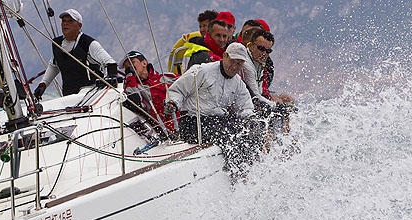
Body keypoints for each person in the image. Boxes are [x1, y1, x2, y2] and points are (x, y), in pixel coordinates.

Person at [165, 43, 259, 175]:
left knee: (250, 134)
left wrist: (251, 120)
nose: (234, 67)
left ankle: (248, 171)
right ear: (225, 56)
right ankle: (234, 173)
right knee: (228, 134)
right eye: (232, 61)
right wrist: (173, 103)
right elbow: (178, 90)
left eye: (239, 63)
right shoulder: (201, 71)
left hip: (218, 121)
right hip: (193, 122)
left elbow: (245, 107)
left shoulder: (238, 83)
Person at [34, 9, 116, 98]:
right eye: (63, 21)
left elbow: (110, 63)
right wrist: (43, 85)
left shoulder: (88, 43)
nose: (65, 24)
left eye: (70, 21)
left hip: (91, 95)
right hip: (68, 95)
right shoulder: (56, 44)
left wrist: (108, 83)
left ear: (79, 26)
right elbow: (54, 66)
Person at [119, 51, 179, 134]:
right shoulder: (134, 87)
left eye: (132, 63)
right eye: (126, 67)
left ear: (144, 63)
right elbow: (136, 104)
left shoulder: (167, 77)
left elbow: (189, 84)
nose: (129, 67)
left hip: (183, 124)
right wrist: (129, 76)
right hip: (164, 135)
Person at [240, 28, 294, 114]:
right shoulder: (246, 64)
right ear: (251, 46)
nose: (264, 53)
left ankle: (286, 127)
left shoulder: (260, 61)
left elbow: (261, 90)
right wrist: (275, 105)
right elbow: (255, 95)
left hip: (255, 97)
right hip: (243, 101)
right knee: (277, 109)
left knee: (288, 100)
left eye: (268, 51)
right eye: (261, 48)